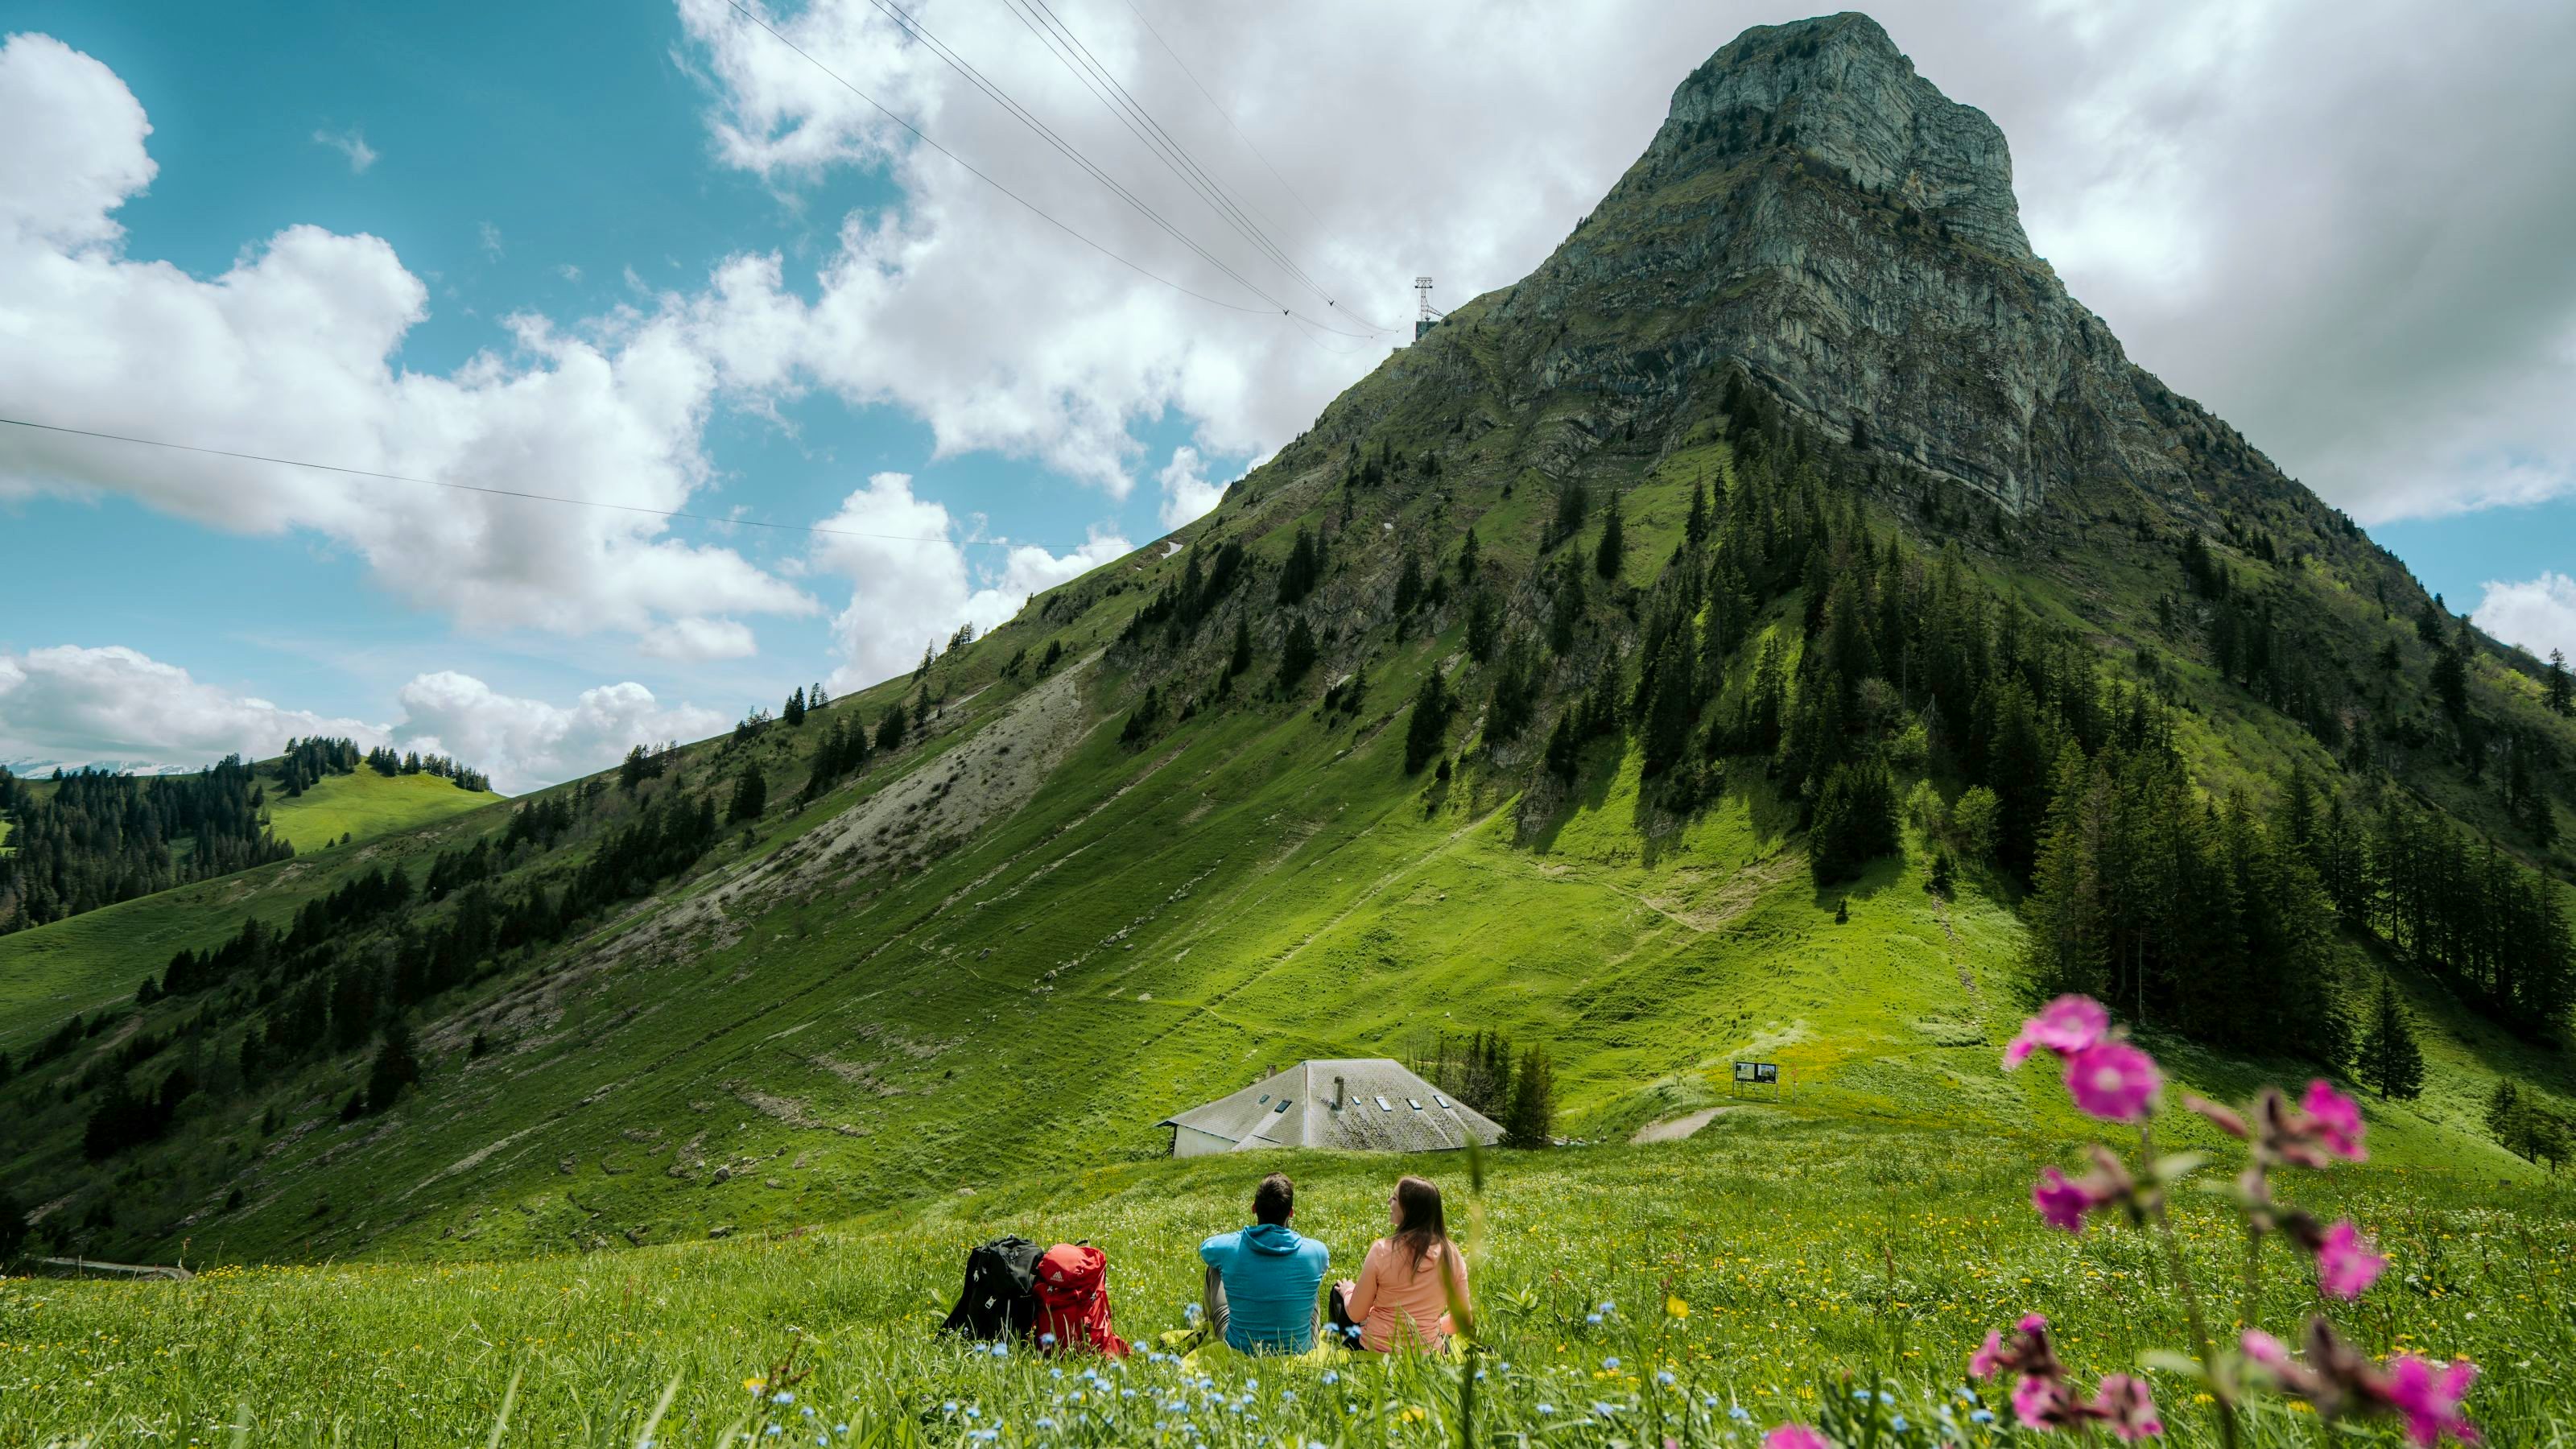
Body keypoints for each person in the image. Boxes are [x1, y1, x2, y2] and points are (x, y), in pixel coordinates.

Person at [1329, 1175, 1470, 1353]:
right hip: (1428, 1352)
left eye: (1394, 1198)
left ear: (1409, 1210)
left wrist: (1348, 1290)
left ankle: (1336, 1346)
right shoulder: (1452, 1256)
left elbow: (1357, 1313)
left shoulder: (1381, 1250)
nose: (1389, 1201)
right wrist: (1429, 1328)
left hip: (1376, 1350)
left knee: (1338, 1289)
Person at [1198, 1171, 1330, 1354]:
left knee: (1214, 1268)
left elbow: (1206, 1248)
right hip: (1299, 1349)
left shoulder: (1231, 1248)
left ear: (1254, 1208)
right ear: (1290, 1213)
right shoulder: (1316, 1251)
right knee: (1311, 1282)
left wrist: (1241, 1237)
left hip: (1240, 1347)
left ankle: (1204, 1327)